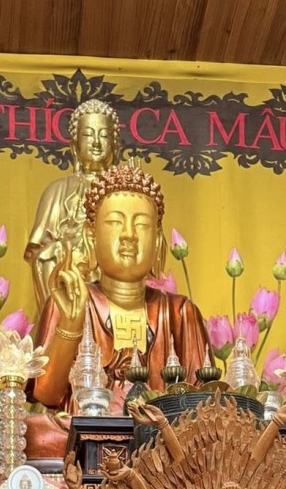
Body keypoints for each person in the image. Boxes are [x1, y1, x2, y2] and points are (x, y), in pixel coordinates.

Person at [30, 162, 208, 411]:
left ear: (158, 240)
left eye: (142, 224)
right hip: (85, 429)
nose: (129, 235)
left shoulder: (180, 312)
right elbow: (46, 395)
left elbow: (202, 403)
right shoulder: (70, 301)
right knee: (42, 428)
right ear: (91, 235)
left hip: (159, 431)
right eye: (115, 222)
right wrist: (71, 324)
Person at [25, 98, 122, 312]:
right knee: (47, 255)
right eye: (88, 134)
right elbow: (37, 252)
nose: (96, 142)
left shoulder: (125, 194)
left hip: (113, 277)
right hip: (68, 279)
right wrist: (67, 253)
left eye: (104, 135)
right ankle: (58, 320)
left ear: (115, 145)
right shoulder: (57, 190)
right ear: (74, 145)